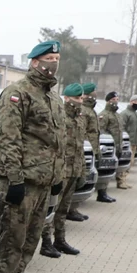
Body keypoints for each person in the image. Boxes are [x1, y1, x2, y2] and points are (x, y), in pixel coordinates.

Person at [0, 41, 64, 273]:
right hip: (23, 180)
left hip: (44, 181)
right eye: (48, 57)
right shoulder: (17, 93)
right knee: (13, 238)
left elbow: (58, 141)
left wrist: (57, 177)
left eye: (56, 58)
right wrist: (14, 179)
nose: (53, 62)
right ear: (34, 62)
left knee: (31, 238)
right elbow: (9, 138)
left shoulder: (53, 98)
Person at [41, 83, 85, 258]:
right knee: (52, 208)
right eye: (76, 98)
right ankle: (45, 242)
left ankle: (60, 240)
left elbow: (80, 147)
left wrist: (82, 171)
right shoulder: (59, 117)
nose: (80, 101)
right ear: (66, 98)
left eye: (81, 98)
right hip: (60, 170)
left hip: (74, 170)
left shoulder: (79, 118)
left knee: (63, 209)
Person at [69, 82, 102, 221]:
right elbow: (82, 132)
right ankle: (70, 210)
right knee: (76, 181)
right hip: (83, 149)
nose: (96, 93)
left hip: (89, 148)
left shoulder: (90, 110)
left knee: (82, 179)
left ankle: (73, 208)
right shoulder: (83, 111)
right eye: (94, 91)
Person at [98, 92, 123, 203]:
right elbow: (101, 132)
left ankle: (104, 191)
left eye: (117, 99)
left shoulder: (117, 115)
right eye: (113, 99)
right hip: (108, 148)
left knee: (110, 171)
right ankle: (101, 193)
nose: (116, 101)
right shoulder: (105, 114)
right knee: (105, 170)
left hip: (116, 147)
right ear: (108, 100)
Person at [118, 95, 137, 189]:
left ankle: (124, 179)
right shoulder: (125, 114)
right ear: (131, 102)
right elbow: (121, 128)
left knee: (130, 162)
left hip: (134, 142)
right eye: (136, 102)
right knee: (125, 162)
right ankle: (120, 180)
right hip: (127, 142)